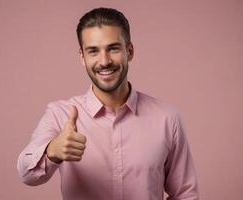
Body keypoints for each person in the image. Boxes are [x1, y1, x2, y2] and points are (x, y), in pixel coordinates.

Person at [17, 7, 199, 200]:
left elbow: (185, 194)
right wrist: (52, 150)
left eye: (113, 48)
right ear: (82, 57)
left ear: (129, 51)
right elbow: (26, 174)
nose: (104, 61)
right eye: (93, 51)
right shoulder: (59, 114)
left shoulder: (167, 119)